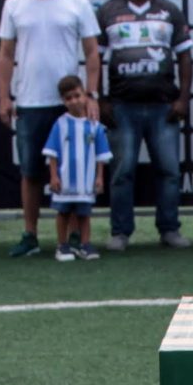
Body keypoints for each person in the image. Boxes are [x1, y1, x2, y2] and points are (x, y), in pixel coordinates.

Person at [0, 0, 101, 259]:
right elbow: (5, 54)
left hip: (68, 104)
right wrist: (3, 96)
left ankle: (71, 240)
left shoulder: (76, 2)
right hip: (28, 101)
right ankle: (30, 235)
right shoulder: (14, 4)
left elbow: (92, 51)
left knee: (72, 172)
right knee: (30, 171)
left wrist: (90, 95)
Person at [95, 0, 191, 252]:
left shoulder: (169, 10)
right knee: (122, 173)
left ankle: (169, 229)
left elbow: (186, 56)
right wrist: (100, 100)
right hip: (122, 105)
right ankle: (121, 232)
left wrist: (184, 98)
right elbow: (94, 59)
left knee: (169, 171)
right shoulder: (108, 11)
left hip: (164, 105)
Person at [41, 74, 111, 261]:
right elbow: (52, 153)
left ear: (84, 95)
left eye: (77, 95)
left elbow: (101, 156)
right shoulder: (60, 124)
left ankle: (85, 244)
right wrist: (54, 176)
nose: (74, 101)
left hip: (85, 181)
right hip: (65, 180)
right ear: (63, 101)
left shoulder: (94, 126)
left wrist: (99, 177)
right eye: (68, 98)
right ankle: (62, 246)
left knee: (84, 214)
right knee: (63, 213)